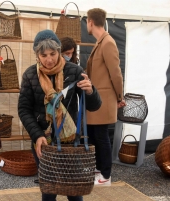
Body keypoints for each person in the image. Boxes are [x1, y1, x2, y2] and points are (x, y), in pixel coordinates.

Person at [18, 29, 102, 201]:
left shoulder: (74, 71)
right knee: (49, 189)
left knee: (74, 189)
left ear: (59, 51)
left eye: (53, 53)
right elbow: (24, 109)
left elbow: (94, 106)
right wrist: (37, 135)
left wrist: (91, 91)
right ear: (37, 56)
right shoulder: (30, 75)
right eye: (44, 55)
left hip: (71, 140)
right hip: (44, 140)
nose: (49, 59)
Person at [84, 8, 126, 186]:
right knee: (94, 136)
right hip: (96, 100)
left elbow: (116, 73)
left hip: (104, 100)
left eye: (86, 21)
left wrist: (119, 96)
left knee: (101, 137)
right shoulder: (100, 42)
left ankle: (106, 175)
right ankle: (99, 170)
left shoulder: (108, 42)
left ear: (90, 22)